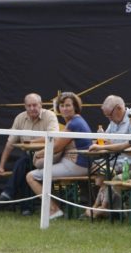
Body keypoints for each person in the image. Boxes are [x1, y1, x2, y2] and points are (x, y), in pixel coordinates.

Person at [25, 92, 91, 220]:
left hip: (77, 165)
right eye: (62, 105)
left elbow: (56, 147)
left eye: (68, 105)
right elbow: (57, 142)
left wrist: (39, 153)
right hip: (80, 164)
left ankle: (54, 210)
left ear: (75, 106)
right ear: (58, 108)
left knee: (31, 176)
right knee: (41, 172)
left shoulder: (74, 123)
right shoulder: (75, 121)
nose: (65, 108)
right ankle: (54, 207)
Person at [0, 93, 60, 215]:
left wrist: (31, 142)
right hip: (30, 156)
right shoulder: (20, 118)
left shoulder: (50, 116)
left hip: (48, 156)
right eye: (29, 106)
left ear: (41, 105)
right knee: (25, 164)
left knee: (23, 162)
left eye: (34, 105)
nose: (32, 108)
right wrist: (1, 166)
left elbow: (54, 137)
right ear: (25, 106)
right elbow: (10, 144)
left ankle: (8, 195)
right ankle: (26, 208)